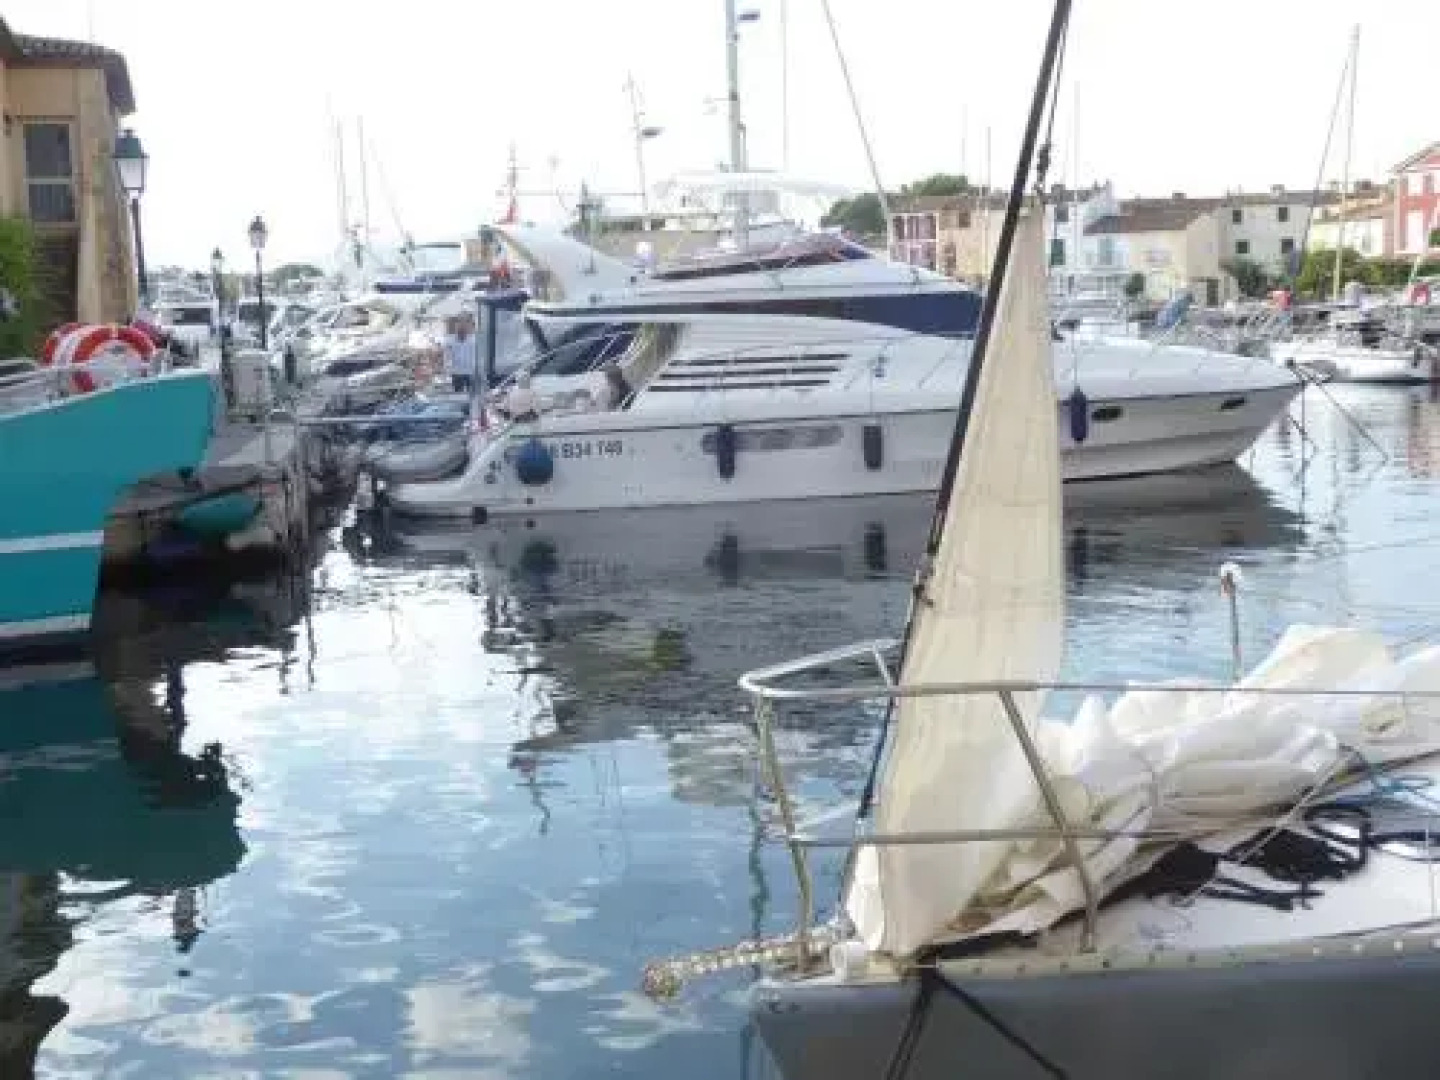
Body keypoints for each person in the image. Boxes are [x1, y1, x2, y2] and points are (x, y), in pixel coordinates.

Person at [443, 314, 479, 393]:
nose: (461, 327)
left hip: (471, 372)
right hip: (457, 372)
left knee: (473, 393)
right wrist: (447, 371)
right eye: (459, 324)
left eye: (464, 324)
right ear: (456, 326)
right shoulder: (449, 340)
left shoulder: (475, 340)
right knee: (458, 394)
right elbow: (447, 357)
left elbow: (479, 356)